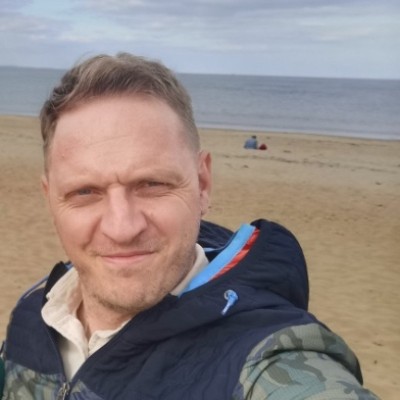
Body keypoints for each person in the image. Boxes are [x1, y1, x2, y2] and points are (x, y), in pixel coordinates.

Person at [0, 53, 378, 399]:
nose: (122, 228)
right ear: (50, 199)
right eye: (85, 192)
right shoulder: (35, 314)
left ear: (203, 184)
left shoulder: (260, 362)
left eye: (153, 184)